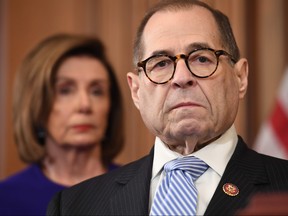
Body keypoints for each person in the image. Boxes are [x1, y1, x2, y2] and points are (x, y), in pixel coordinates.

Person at [47, 0, 288, 215]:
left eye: (202, 58)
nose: (181, 77)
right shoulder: (74, 206)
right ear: (136, 91)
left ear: (240, 78)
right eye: (160, 63)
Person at [0, 33, 124, 215]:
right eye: (65, 90)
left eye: (97, 91)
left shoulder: (142, 191)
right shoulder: (6, 198)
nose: (84, 105)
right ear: (35, 104)